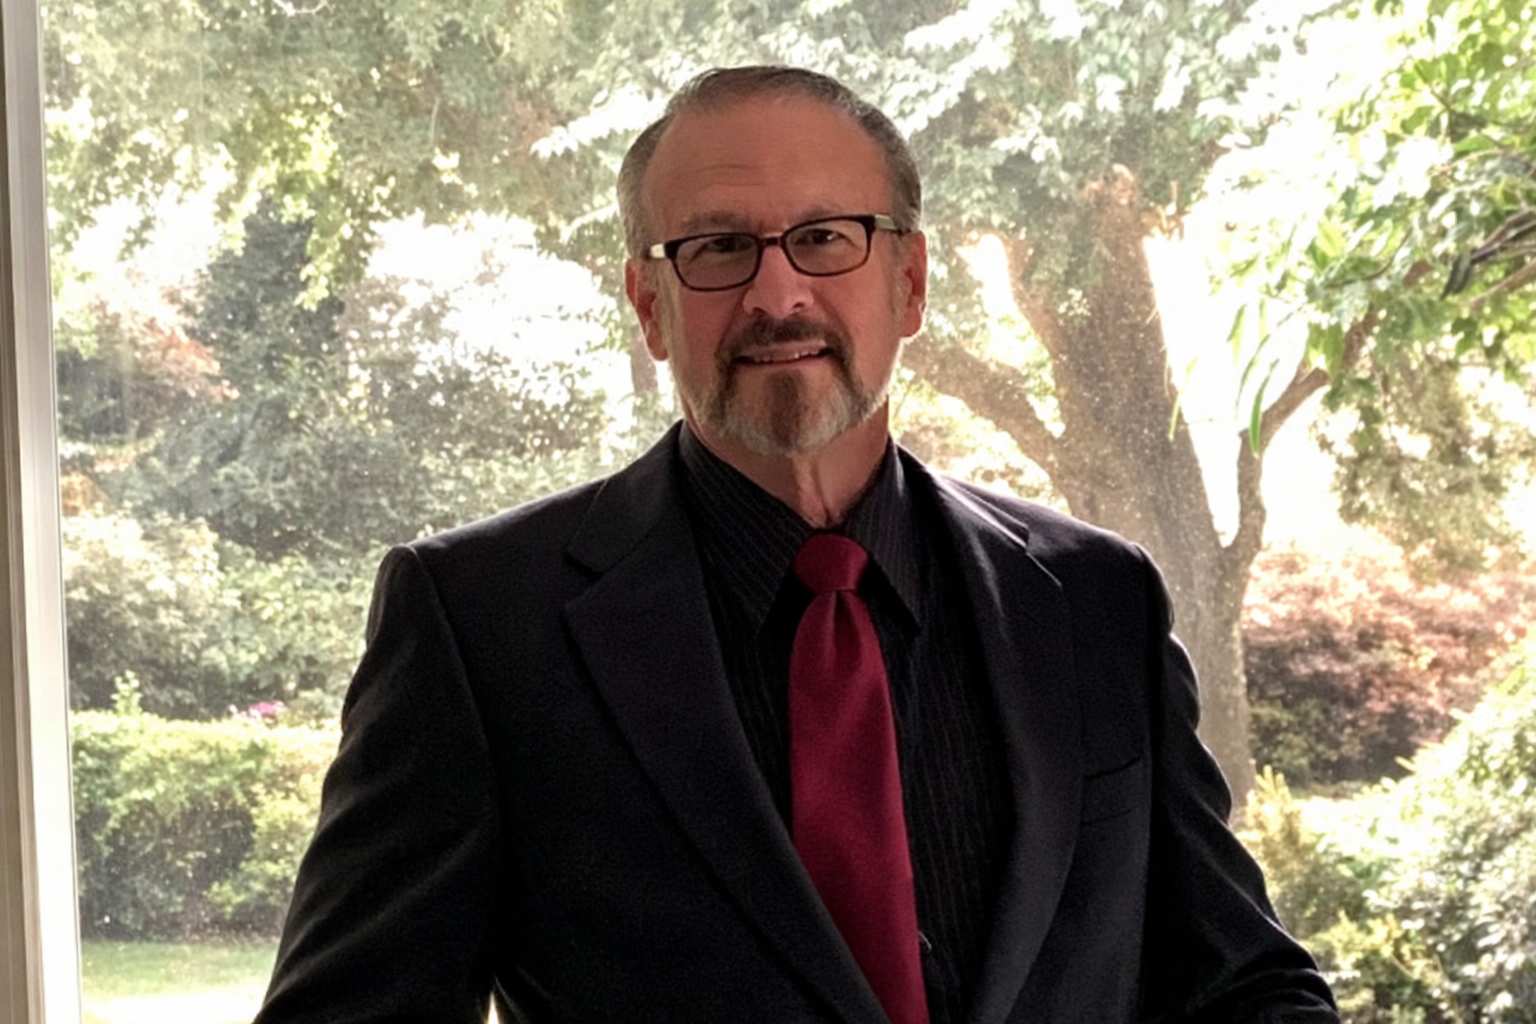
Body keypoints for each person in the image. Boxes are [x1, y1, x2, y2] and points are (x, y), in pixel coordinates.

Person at [254, 66, 1339, 1024]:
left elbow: (1239, 985)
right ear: (648, 304)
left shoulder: (1096, 599)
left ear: (909, 283)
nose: (778, 295)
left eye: (826, 237)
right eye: (718, 247)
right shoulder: (480, 624)